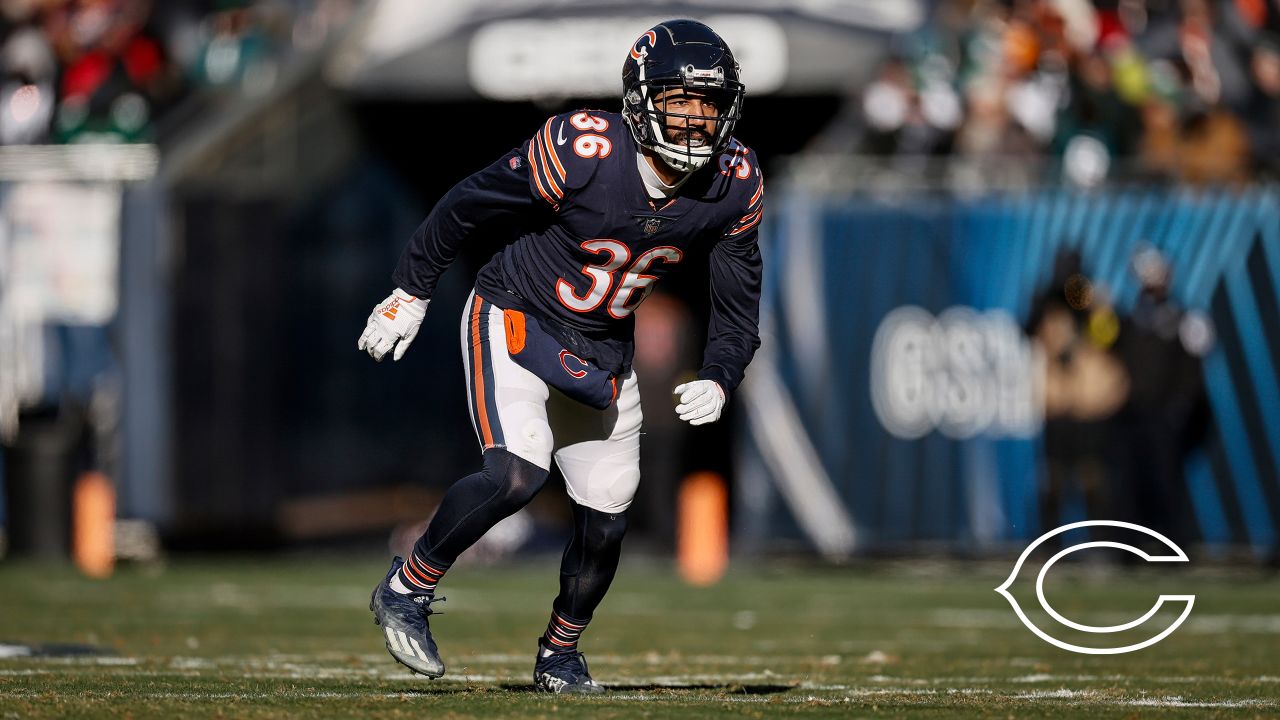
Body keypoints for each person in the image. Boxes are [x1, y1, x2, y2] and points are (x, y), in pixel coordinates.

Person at [357, 19, 763, 694]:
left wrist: (721, 374)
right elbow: (467, 205)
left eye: (709, 104)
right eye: (679, 101)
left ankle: (559, 654)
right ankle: (408, 586)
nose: (695, 120)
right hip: (516, 314)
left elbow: (739, 296)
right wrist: (411, 290)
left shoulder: (734, 180)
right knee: (518, 473)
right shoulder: (585, 150)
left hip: (603, 351)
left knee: (606, 515)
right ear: (640, 101)